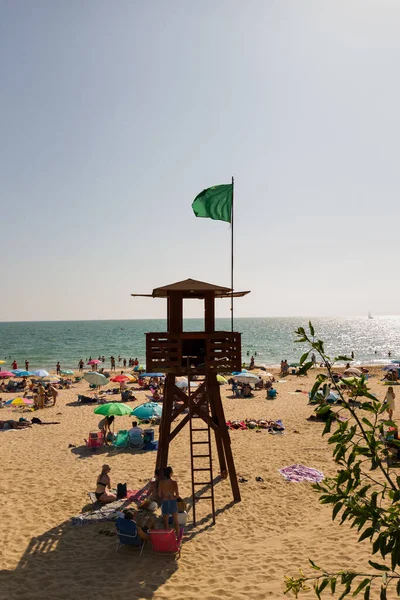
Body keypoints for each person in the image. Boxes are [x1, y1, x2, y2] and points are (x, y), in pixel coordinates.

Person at [158, 466, 180, 536]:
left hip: (165, 501)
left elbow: (159, 495)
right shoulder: (174, 482)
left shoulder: (161, 483)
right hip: (172, 501)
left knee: (166, 522)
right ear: (171, 474)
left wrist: (165, 496)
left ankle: (168, 537)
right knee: (176, 521)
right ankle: (178, 535)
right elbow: (177, 495)